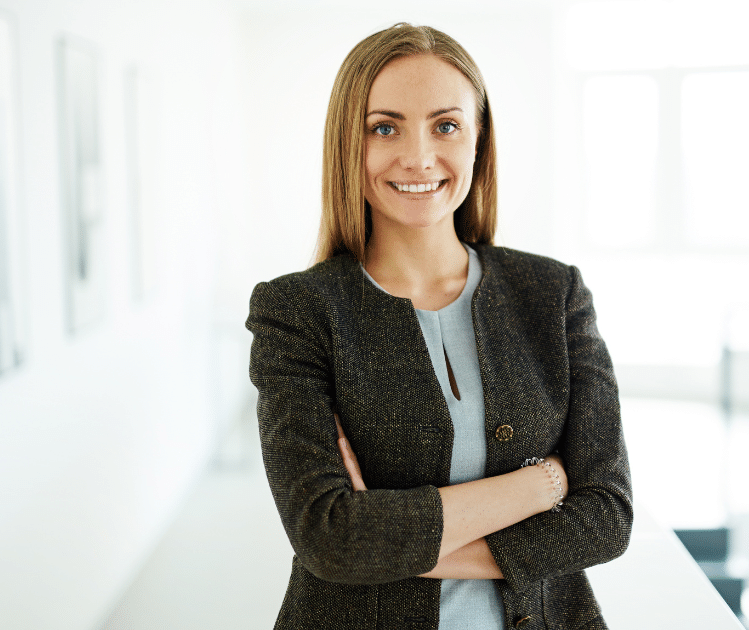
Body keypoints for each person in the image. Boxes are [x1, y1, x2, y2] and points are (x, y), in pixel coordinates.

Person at [246, 23, 632, 630]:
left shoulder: (553, 295)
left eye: (445, 125)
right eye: (385, 126)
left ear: (479, 141)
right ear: (350, 142)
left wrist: (391, 541)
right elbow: (329, 537)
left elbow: (607, 516)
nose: (418, 156)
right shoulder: (297, 311)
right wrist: (544, 485)